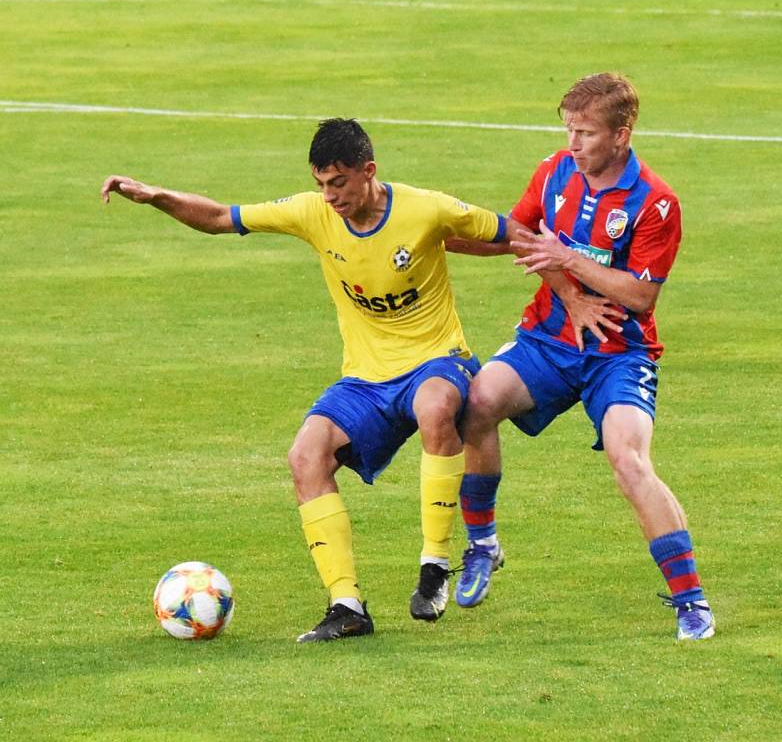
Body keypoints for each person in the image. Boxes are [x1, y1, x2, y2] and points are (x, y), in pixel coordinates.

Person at [101, 118, 561, 643]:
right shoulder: (312, 213)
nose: (330, 195)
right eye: (321, 183)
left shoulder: (426, 208)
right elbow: (216, 219)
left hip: (438, 360)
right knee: (305, 456)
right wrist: (155, 194)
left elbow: (516, 236)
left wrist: (572, 291)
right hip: (365, 379)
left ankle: (434, 566)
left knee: (435, 407)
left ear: (369, 171)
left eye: (338, 183)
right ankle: (347, 605)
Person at [452, 73, 715, 640]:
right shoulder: (554, 171)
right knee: (476, 402)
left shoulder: (656, 203)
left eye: (585, 133)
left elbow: (641, 295)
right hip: (548, 340)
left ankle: (691, 600)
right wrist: (570, 296)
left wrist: (568, 259)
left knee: (629, 460)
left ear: (621, 135)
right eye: (568, 129)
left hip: (620, 354)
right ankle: (482, 545)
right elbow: (523, 233)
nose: (572, 143)